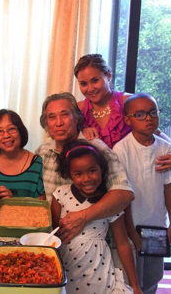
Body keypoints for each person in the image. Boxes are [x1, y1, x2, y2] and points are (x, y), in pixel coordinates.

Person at [35, 92, 134, 244]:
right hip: (54, 241)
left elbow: (125, 194)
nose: (58, 122)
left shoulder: (96, 148)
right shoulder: (43, 152)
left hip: (95, 244)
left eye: (64, 115)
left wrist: (83, 216)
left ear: (76, 118)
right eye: (52, 117)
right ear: (46, 123)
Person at [52, 140, 142, 294]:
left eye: (92, 170)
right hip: (65, 269)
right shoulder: (61, 194)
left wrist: (135, 285)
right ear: (69, 174)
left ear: (102, 169)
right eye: (78, 174)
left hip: (99, 274)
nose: (87, 179)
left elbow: (122, 243)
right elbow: (52, 235)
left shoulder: (110, 203)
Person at [113, 93, 171, 294]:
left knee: (151, 276)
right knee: (131, 276)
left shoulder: (166, 148)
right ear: (128, 120)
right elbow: (123, 196)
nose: (148, 118)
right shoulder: (121, 150)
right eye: (140, 114)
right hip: (131, 225)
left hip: (157, 226)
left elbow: (169, 188)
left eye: (153, 113)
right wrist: (131, 231)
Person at [74, 53, 171, 172]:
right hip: (95, 180)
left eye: (95, 80)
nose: (90, 88)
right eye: (83, 83)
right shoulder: (79, 108)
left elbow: (153, 130)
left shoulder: (127, 101)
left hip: (135, 173)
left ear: (108, 76)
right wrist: (82, 131)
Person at [0, 109, 45, 199]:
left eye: (11, 129)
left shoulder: (38, 165)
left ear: (21, 131)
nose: (6, 135)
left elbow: (42, 208)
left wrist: (12, 201)